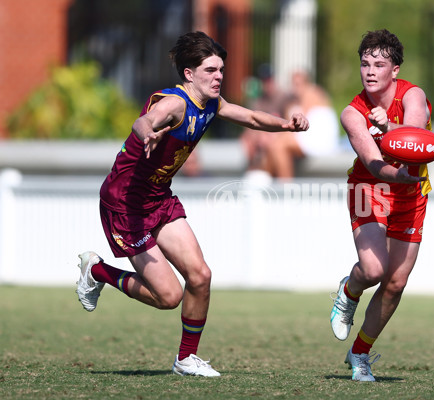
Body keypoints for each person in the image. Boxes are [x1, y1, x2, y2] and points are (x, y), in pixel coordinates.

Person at [75, 31, 308, 377]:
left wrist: (287, 125)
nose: (219, 77)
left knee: (200, 276)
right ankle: (97, 271)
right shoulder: (175, 103)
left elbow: (254, 118)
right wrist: (147, 133)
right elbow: (146, 120)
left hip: (159, 198)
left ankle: (186, 360)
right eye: (210, 70)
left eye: (220, 70)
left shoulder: (212, 103)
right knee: (168, 297)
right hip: (125, 205)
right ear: (189, 74)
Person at [329, 29, 432, 382]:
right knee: (373, 270)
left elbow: (416, 133)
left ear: (395, 70)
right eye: (364, 63)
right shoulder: (351, 113)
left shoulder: (413, 95)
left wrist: (391, 126)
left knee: (395, 282)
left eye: (379, 64)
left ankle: (359, 353)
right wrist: (393, 169)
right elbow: (373, 163)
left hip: (411, 194)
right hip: (368, 186)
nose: (370, 71)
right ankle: (349, 290)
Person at [262, 69, 339, 179]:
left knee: (278, 145)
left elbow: (297, 122)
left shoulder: (312, 94)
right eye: (293, 84)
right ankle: (267, 177)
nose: (295, 88)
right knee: (274, 144)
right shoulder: (296, 99)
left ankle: (283, 187)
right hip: (307, 136)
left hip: (318, 140)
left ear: (307, 83)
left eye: (298, 84)